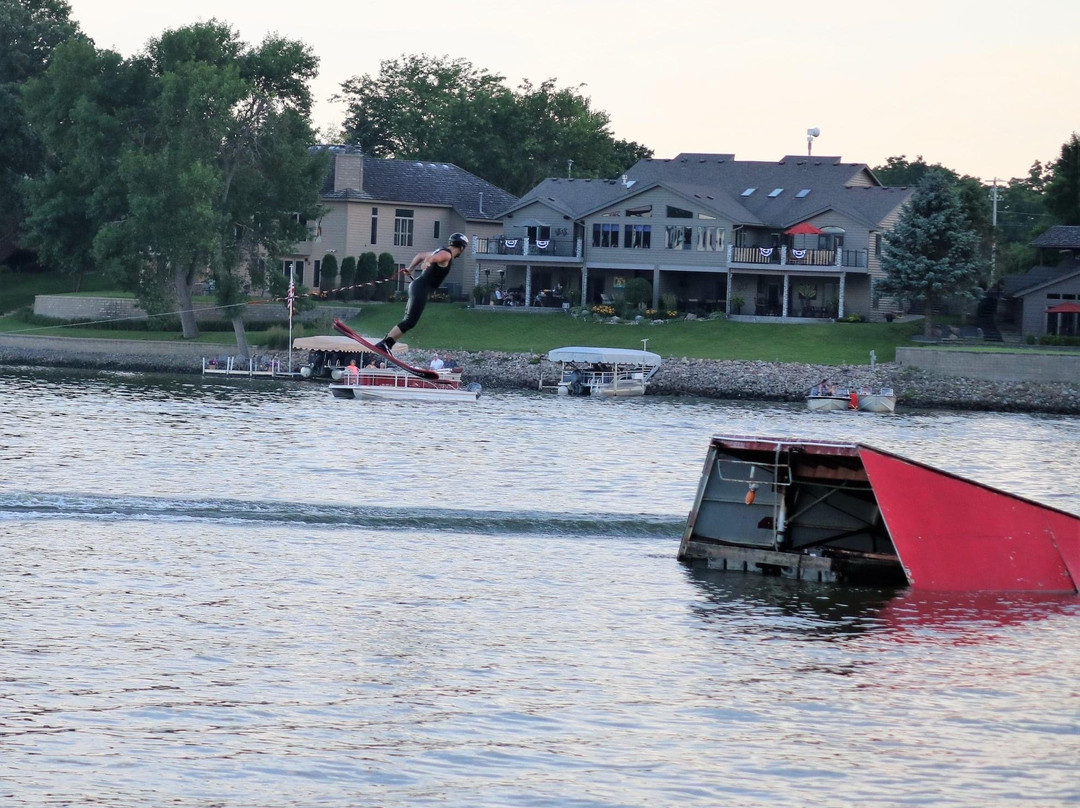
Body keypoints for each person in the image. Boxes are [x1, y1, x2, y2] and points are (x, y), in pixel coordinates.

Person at [373, 233, 469, 354]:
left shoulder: (441, 251)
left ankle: (385, 344)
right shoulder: (446, 255)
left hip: (417, 286)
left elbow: (420, 255)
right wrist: (427, 262)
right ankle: (385, 345)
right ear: (461, 247)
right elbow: (431, 258)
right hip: (421, 289)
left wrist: (411, 268)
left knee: (407, 320)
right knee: (410, 322)